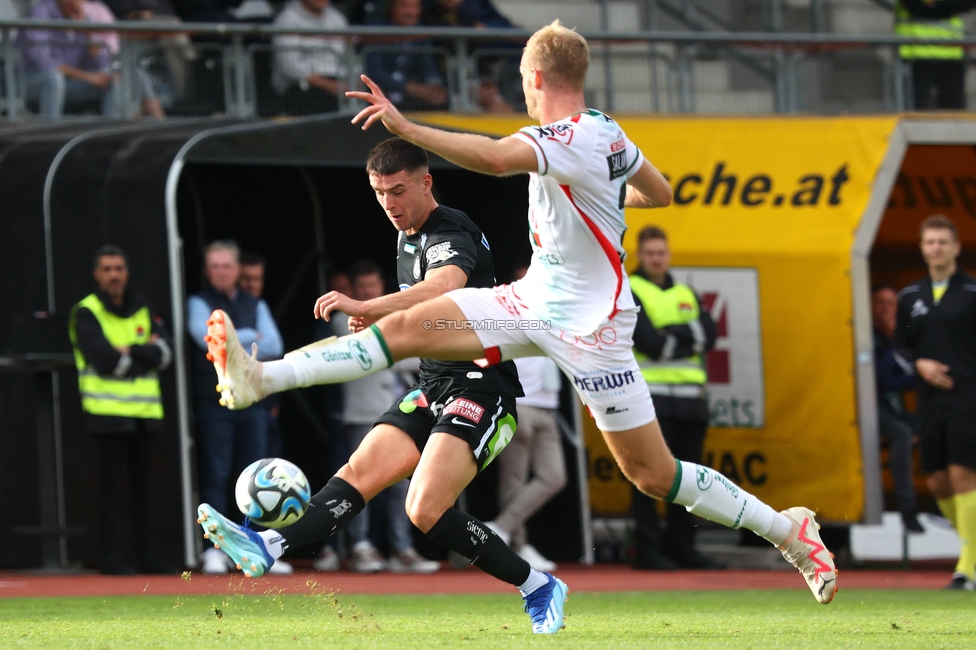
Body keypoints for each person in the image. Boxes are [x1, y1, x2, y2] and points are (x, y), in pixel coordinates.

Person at [204, 19, 837, 627]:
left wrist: (406, 126)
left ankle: (788, 530)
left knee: (653, 475)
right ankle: (262, 378)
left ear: (534, 76)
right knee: (405, 331)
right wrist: (608, 196)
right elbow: (661, 191)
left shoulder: (565, 136)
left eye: (521, 81)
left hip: (591, 330)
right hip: (530, 301)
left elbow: (494, 158)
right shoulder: (608, 135)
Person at [196, 138, 576, 634]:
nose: (389, 205)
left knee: (423, 509)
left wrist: (368, 307)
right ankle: (267, 545)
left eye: (398, 191)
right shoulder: (407, 237)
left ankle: (540, 586)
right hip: (432, 384)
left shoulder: (450, 228)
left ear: (426, 182)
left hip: (483, 390)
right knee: (358, 473)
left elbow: (444, 287)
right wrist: (380, 321)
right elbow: (422, 313)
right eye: (379, 194)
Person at [321, 259, 439, 574]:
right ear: (354, 291)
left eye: (372, 286)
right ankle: (361, 548)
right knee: (362, 483)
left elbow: (413, 353)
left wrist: (398, 351)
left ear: (380, 288)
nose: (368, 292)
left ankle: (402, 550)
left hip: (396, 414)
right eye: (362, 288)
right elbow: (384, 352)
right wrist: (399, 351)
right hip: (361, 414)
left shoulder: (390, 316)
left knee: (401, 485)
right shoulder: (343, 320)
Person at [68, 246, 175, 575]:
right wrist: (144, 354)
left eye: (119, 268)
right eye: (107, 269)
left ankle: (147, 557)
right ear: (97, 274)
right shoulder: (86, 312)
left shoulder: (142, 306)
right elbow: (103, 360)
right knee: (110, 490)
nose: (114, 274)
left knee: (145, 489)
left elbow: (167, 354)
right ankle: (112, 558)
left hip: (145, 414)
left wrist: (128, 352)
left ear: (126, 272)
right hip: (106, 414)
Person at [187, 239, 290, 575]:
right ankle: (214, 549)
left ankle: (258, 546)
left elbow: (275, 344)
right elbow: (205, 337)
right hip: (215, 402)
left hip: (254, 405)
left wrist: (232, 335)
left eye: (226, 266)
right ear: (206, 270)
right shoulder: (198, 301)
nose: (221, 272)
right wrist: (250, 334)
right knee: (216, 475)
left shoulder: (253, 302)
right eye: (215, 266)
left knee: (257, 480)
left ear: (236, 269)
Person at [625, 226, 724, 571]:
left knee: (692, 478)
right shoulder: (630, 289)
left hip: (691, 401)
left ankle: (684, 548)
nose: (656, 258)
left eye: (660, 252)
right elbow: (650, 343)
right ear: (640, 254)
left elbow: (710, 334)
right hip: (650, 400)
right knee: (650, 478)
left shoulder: (686, 291)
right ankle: (649, 551)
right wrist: (689, 334)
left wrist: (673, 336)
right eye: (650, 253)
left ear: (668, 254)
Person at [895, 214, 976, 589]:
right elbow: (900, 348)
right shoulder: (909, 297)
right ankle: (971, 548)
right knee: (940, 482)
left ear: (956, 247)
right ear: (922, 248)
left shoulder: (972, 293)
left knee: (963, 475)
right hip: (928, 402)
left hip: (967, 397)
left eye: (943, 241)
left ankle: (968, 569)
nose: (937, 248)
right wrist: (919, 364)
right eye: (930, 242)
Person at [486, 353, 566, 572]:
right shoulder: (511, 320)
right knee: (514, 478)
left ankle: (500, 529)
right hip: (518, 402)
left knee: (553, 477)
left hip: (547, 406)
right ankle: (518, 546)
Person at [19, 0, 165, 119]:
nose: (80, 2)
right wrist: (87, 76)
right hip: (29, 80)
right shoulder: (41, 13)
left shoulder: (81, 17)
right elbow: (42, 61)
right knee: (53, 78)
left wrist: (88, 31)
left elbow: (99, 63)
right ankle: (51, 132)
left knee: (112, 80)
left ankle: (111, 132)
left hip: (70, 81)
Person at [872, 284, 923, 534]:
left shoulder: (902, 337)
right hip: (872, 409)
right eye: (880, 302)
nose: (886, 309)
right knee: (902, 434)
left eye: (891, 303)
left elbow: (913, 375)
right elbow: (882, 379)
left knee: (937, 428)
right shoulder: (868, 336)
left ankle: (944, 500)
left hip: (896, 407)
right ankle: (908, 509)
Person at [238, 251, 285, 459]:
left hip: (267, 400)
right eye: (246, 278)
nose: (252, 285)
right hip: (239, 401)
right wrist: (253, 336)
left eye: (257, 279)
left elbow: (274, 347)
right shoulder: (230, 307)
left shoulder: (261, 305)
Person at [364, 0, 447, 111]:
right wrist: (409, 87)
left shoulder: (420, 34)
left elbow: (427, 66)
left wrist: (433, 85)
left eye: (414, 7)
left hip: (410, 100)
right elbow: (374, 73)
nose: (409, 12)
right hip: (378, 97)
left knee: (441, 101)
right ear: (391, 8)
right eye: (404, 6)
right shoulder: (376, 31)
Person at [271, 0, 349, 115]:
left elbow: (351, 57)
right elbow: (290, 66)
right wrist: (329, 85)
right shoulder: (287, 20)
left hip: (340, 82)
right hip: (302, 87)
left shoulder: (337, 18)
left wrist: (356, 79)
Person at [895, 0, 976, 110]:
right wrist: (949, 9)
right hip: (916, 54)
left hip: (951, 53)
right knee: (914, 110)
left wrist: (935, 5)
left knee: (954, 112)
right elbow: (917, 7)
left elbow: (967, 4)